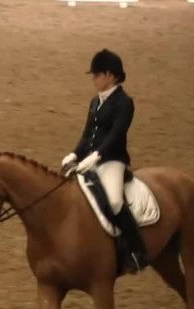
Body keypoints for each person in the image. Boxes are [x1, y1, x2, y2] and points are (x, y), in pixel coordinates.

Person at [61, 48, 147, 273]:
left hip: (113, 160)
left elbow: (116, 135)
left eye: (96, 75)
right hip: (90, 159)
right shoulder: (94, 102)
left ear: (110, 75)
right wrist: (74, 154)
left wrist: (97, 156)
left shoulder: (124, 102)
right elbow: (87, 134)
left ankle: (136, 250)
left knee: (115, 201)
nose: (94, 79)